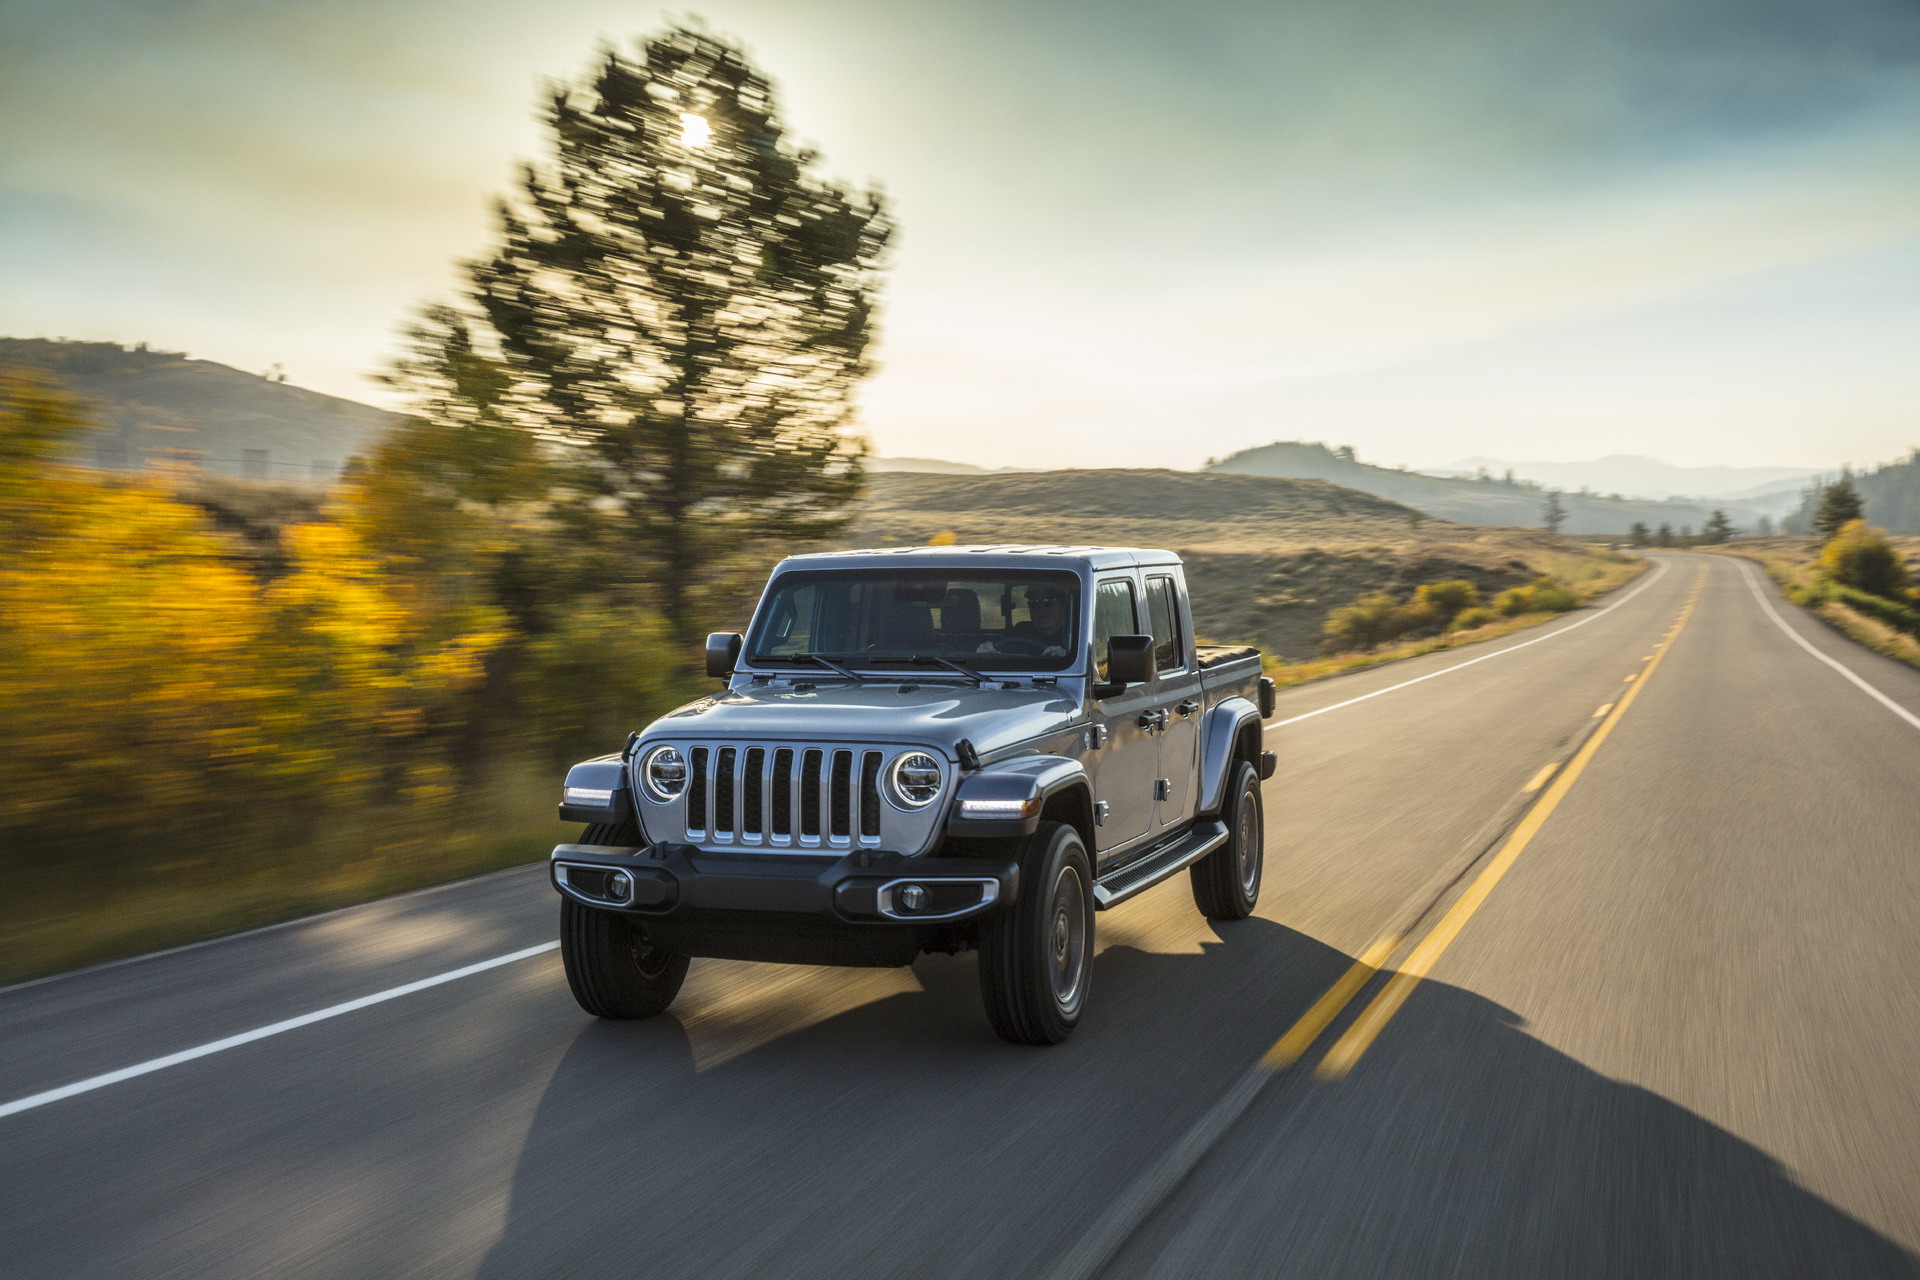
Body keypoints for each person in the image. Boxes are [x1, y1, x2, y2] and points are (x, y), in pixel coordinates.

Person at [999, 583, 1072, 656]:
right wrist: (990, 649)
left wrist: (1064, 657)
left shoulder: (1074, 635)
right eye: (1033, 603)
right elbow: (1001, 649)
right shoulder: (1021, 630)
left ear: (1064, 606)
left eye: (1047, 602)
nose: (1040, 609)